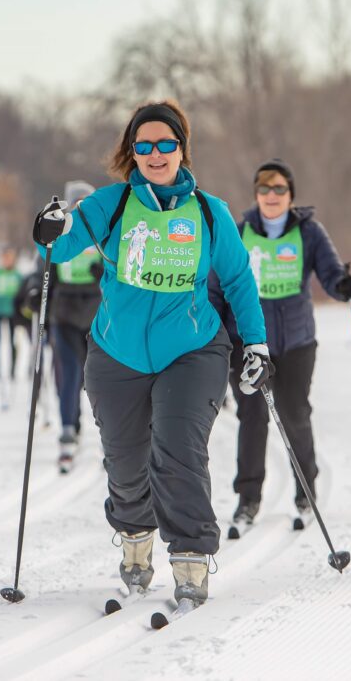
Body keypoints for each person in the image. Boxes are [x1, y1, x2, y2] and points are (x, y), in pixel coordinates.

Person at [31, 100, 268, 610]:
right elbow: (63, 243)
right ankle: (135, 542)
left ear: (182, 148)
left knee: (179, 449)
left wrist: (256, 343)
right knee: (126, 460)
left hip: (192, 349)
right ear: (131, 152)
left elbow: (238, 278)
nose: (156, 154)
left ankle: (190, 558)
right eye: (144, 145)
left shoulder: (209, 211)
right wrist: (50, 228)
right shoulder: (112, 204)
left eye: (166, 144)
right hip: (116, 354)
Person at [209, 159, 351, 533]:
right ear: (256, 194)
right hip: (248, 343)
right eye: (264, 189)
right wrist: (214, 324)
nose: (271, 196)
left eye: (279, 189)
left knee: (295, 413)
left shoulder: (308, 232)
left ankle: (305, 491)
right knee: (253, 418)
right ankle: (248, 499)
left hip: (296, 340)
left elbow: (328, 271)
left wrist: (342, 284)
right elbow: (219, 282)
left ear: (290, 194)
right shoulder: (240, 230)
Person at [49, 180, 101, 471]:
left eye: (86, 202)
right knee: (67, 376)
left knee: (97, 379)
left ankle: (110, 436)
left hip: (94, 314)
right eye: (77, 202)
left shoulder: (101, 233)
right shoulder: (60, 232)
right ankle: (68, 429)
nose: (81, 207)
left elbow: (118, 267)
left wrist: (102, 270)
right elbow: (43, 269)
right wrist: (34, 291)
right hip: (64, 313)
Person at [0, 246, 23, 380]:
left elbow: (21, 293)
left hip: (13, 312)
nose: (7, 261)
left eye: (10, 258)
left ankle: (13, 369)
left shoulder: (18, 275)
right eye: (5, 258)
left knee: (13, 341)